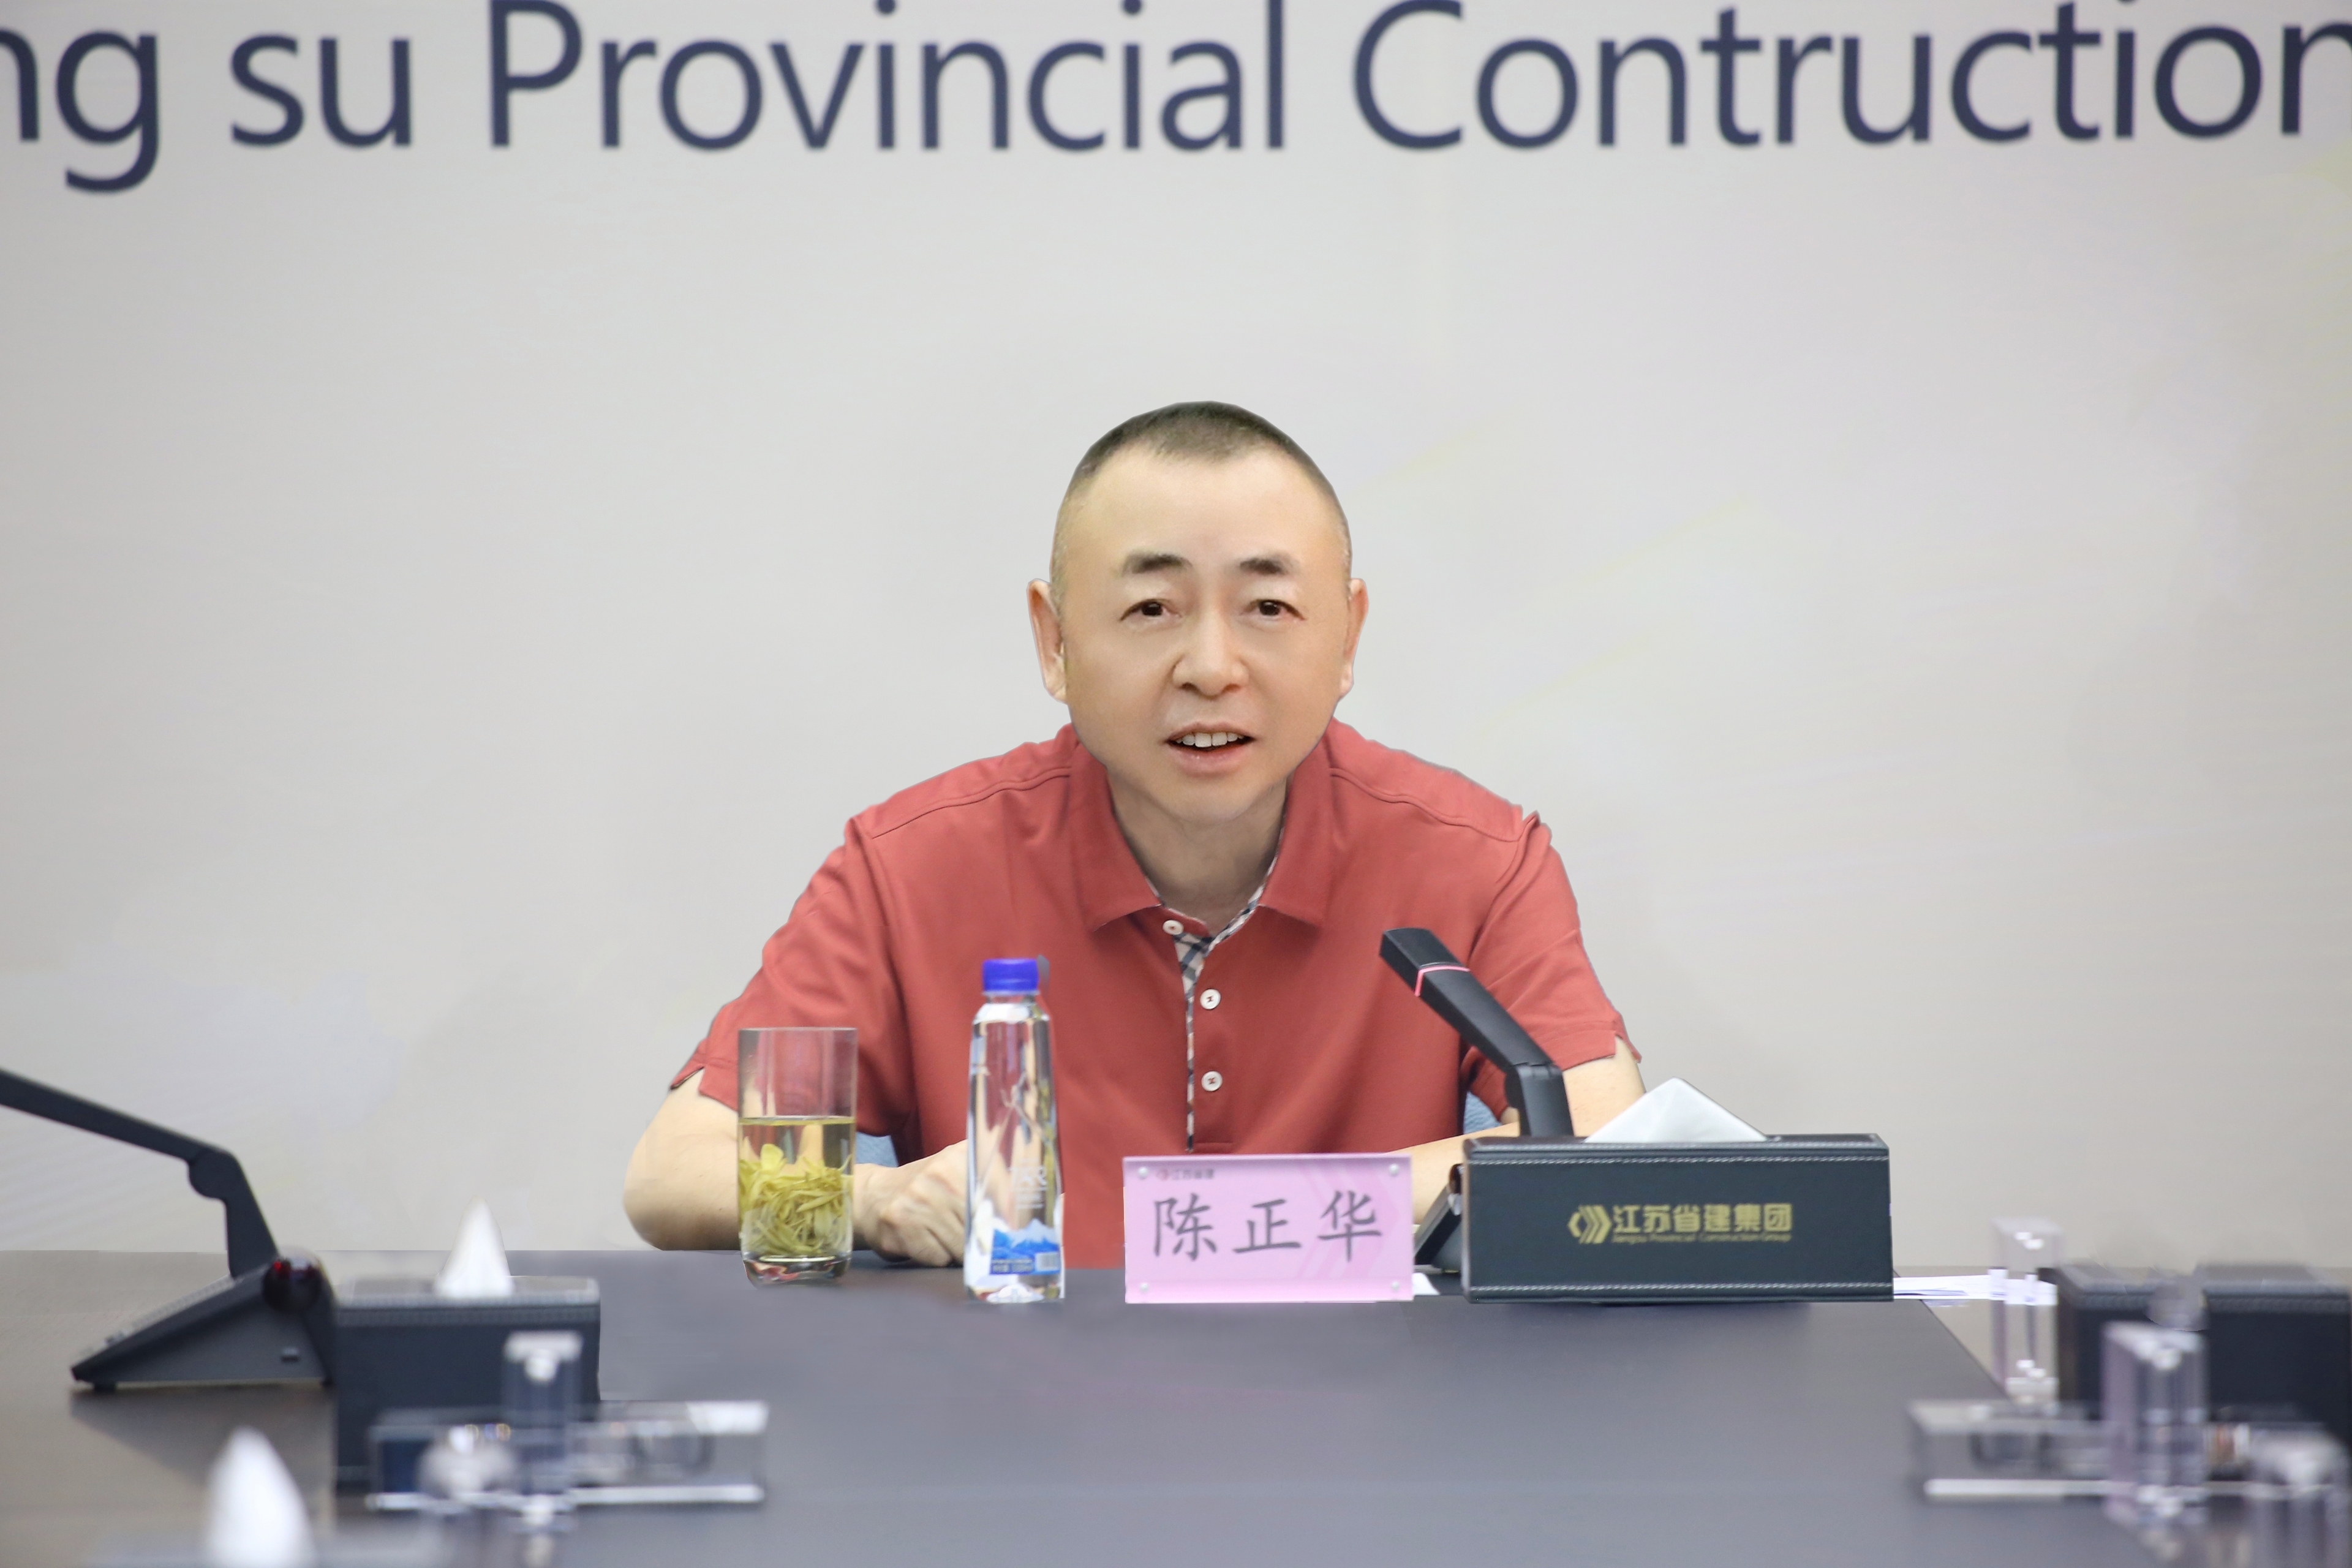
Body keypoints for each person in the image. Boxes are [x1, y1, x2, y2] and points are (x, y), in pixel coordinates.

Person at [622, 402, 1643, 1265]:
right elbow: (673, 1174)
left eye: (1269, 607)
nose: (1212, 667)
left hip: (1372, 1416)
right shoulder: (914, 868)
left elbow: (1609, 1144)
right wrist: (868, 1201)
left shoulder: (1475, 859)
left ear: (1348, 637)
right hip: (1021, 1416)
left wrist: (1235, 1226)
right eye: (1153, 608)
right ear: (1054, 642)